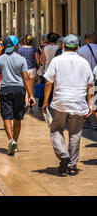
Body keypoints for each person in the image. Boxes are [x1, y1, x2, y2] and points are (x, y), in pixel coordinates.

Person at [42, 34, 94, 176]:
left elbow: (48, 82)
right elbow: (91, 85)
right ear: (78, 47)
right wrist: (91, 104)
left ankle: (63, 155)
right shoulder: (84, 63)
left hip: (60, 102)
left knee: (55, 130)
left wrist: (45, 101)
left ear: (63, 46)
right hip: (78, 102)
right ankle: (71, 166)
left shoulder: (56, 61)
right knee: (75, 134)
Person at [0, 35, 35, 156]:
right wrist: (31, 95)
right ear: (16, 45)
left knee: (7, 117)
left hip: (5, 89)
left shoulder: (0, 59)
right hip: (19, 90)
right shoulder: (21, 60)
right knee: (18, 117)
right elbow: (26, 78)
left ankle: (11, 140)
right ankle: (15, 142)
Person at [17, 34, 40, 108]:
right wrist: (38, 66)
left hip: (24, 70)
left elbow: (18, 60)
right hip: (32, 69)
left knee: (25, 87)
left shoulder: (20, 49)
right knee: (31, 87)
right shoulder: (34, 49)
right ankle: (31, 101)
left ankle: (26, 102)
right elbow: (37, 60)